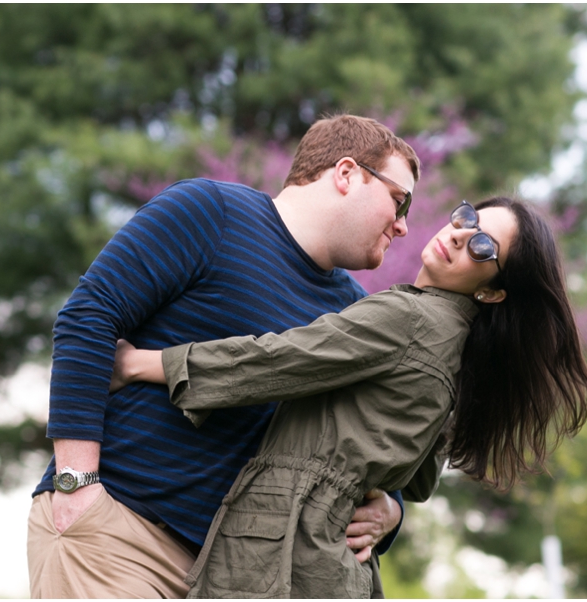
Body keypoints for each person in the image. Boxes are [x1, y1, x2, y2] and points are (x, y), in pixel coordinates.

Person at [110, 197, 587, 598]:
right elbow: (417, 481)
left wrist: (143, 363)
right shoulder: (460, 354)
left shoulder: (410, 319)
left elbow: (282, 360)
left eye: (481, 245)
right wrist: (389, 509)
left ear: (493, 292)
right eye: (468, 217)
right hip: (341, 568)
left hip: (282, 548)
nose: (459, 233)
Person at [26, 114, 422, 598]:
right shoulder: (211, 211)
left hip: (234, 577)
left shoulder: (355, 312)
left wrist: (393, 509)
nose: (403, 226)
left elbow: (363, 441)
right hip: (119, 533)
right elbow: (88, 317)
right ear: (346, 174)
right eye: (399, 201)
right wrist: (75, 485)